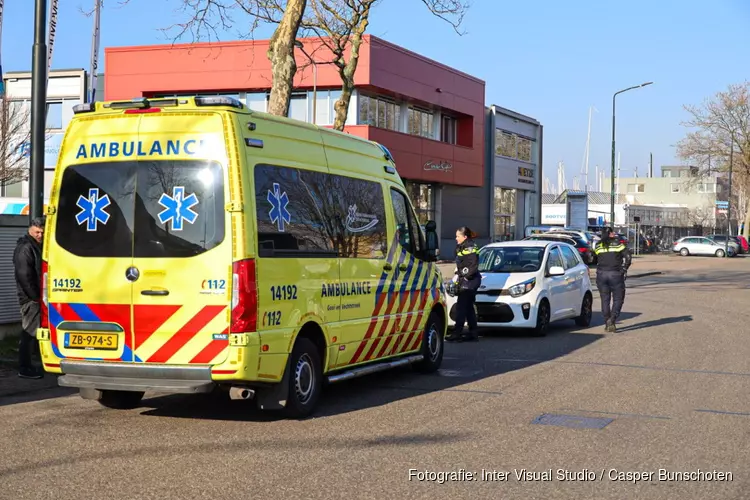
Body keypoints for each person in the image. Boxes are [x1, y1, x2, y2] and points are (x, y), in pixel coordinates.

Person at [13, 217, 45, 379]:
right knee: (29, 332)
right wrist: (34, 297)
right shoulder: (26, 247)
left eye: (42, 232)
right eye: (37, 232)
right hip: (30, 298)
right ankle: (24, 368)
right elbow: (24, 275)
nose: (40, 235)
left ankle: (33, 364)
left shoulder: (35, 246)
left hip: (35, 296)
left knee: (35, 331)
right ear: (30, 230)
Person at [593, 227, 632, 332]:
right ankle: (612, 319)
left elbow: (596, 257)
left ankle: (607, 321)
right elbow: (628, 256)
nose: (614, 233)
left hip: (601, 275)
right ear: (609, 234)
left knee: (605, 300)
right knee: (618, 299)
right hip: (615, 274)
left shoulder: (598, 245)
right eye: (612, 232)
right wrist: (624, 268)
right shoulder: (618, 244)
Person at [446, 226, 481, 342]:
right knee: (469, 308)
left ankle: (457, 333)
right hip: (467, 279)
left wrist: (464, 277)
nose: (456, 238)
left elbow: (472, 266)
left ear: (465, 237)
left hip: (470, 280)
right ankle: (473, 333)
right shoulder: (463, 245)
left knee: (461, 307)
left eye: (458, 236)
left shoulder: (469, 247)